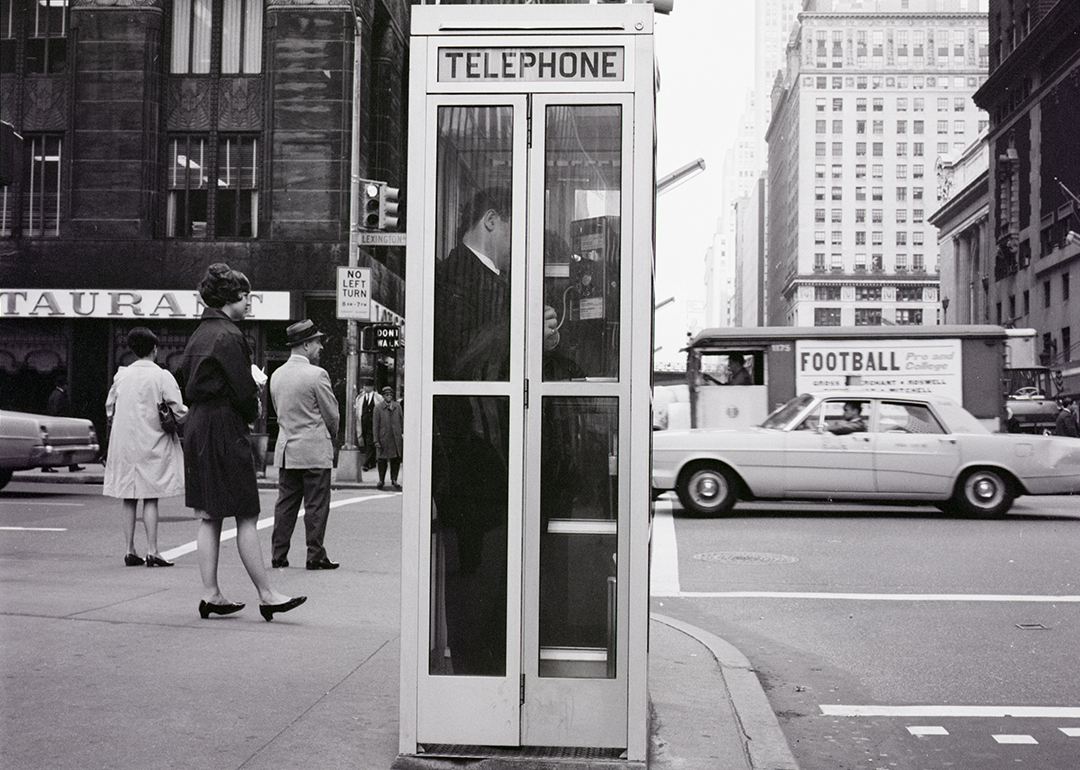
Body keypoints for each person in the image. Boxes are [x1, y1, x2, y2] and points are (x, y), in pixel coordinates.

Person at [177, 263, 305, 621]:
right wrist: (255, 402)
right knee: (246, 512)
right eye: (247, 294)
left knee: (209, 514)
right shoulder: (230, 335)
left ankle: (211, 593)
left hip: (198, 424)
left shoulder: (199, 333)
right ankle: (267, 594)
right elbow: (243, 392)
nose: (250, 301)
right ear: (232, 296)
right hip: (223, 425)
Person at [103, 328, 187, 567]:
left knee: (128, 498)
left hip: (125, 444)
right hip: (154, 442)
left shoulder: (122, 376)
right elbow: (179, 411)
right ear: (155, 349)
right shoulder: (162, 376)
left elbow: (110, 408)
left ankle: (129, 550)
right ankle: (153, 551)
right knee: (151, 497)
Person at [269, 319, 340, 571]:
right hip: (314, 450)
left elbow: (279, 411)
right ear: (306, 344)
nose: (320, 346)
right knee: (316, 506)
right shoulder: (317, 375)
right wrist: (331, 437)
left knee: (286, 504)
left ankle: (279, 554)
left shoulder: (276, 375)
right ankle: (315, 555)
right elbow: (331, 415)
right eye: (317, 342)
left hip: (288, 451)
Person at [43, 373, 85, 472]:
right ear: (64, 385)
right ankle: (72, 466)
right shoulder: (60, 395)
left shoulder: (54, 394)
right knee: (69, 445)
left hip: (57, 423)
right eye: (66, 384)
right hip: (61, 424)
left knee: (63, 446)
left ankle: (71, 465)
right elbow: (56, 410)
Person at [372, 385, 403, 490]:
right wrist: (376, 440)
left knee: (395, 459)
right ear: (383, 396)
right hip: (383, 438)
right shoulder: (378, 408)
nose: (388, 397)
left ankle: (394, 479)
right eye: (386, 395)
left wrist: (402, 434)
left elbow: (401, 421)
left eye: (390, 395)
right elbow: (375, 425)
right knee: (382, 460)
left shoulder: (397, 407)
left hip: (395, 438)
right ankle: (381, 480)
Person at [354, 378, 377, 472]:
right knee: (366, 443)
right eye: (365, 386)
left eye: (367, 386)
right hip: (363, 423)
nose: (365, 388)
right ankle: (372, 462)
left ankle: (366, 464)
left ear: (372, 387)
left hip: (373, 424)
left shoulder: (377, 397)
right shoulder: (360, 398)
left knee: (370, 442)